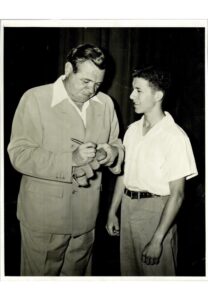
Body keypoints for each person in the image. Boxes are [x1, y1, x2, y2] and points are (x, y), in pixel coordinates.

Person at [7, 43, 124, 276]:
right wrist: (70, 159)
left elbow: (117, 144)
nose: (92, 90)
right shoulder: (36, 98)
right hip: (44, 219)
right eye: (86, 82)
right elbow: (19, 153)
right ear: (69, 68)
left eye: (98, 84)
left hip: (86, 217)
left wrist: (110, 153)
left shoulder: (106, 104)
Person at [106, 66, 198, 276]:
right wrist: (113, 212)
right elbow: (124, 175)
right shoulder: (132, 130)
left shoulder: (174, 137)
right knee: (130, 277)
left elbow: (178, 194)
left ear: (158, 95)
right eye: (132, 90)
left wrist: (158, 239)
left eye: (138, 91)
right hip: (129, 209)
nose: (131, 96)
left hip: (156, 214)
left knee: (157, 280)